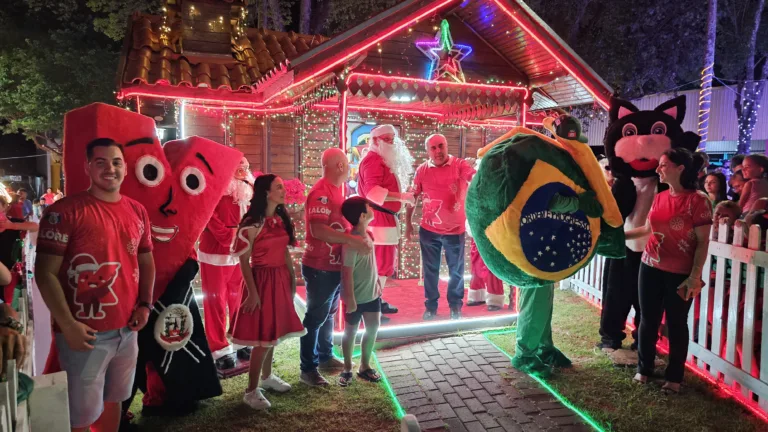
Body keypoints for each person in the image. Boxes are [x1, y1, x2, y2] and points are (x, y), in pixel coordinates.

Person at [34, 138, 156, 432]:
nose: (110, 169)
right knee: (80, 415)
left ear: (125, 167)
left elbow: (146, 261)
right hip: (84, 333)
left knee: (115, 400)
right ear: (87, 167)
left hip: (127, 329)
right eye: (100, 162)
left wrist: (145, 304)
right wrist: (68, 325)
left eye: (116, 162)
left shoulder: (138, 210)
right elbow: (45, 273)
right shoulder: (65, 212)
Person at [626, 148, 711, 394]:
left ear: (680, 168)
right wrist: (617, 236)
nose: (658, 169)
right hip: (650, 266)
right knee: (647, 319)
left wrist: (695, 275)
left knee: (676, 323)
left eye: (663, 165)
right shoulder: (661, 196)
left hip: (680, 273)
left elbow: (703, 242)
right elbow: (647, 229)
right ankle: (644, 368)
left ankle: (674, 377)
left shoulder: (698, 201)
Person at [229, 174, 305, 409]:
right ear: (266, 193)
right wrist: (252, 293)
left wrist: (291, 278)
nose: (284, 191)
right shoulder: (251, 224)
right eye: (278, 187)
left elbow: (284, 253)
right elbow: (244, 261)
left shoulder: (279, 219)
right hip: (261, 281)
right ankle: (251, 391)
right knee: (262, 338)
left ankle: (267, 376)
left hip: (279, 279)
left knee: (273, 332)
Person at [299, 148, 371, 386]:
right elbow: (318, 230)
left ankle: (325, 356)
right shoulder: (321, 193)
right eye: (347, 163)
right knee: (315, 317)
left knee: (328, 314)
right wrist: (353, 240)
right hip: (320, 267)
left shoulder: (336, 191)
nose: (349, 167)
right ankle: (307, 369)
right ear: (340, 166)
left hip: (332, 266)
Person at [405, 134, 475, 320]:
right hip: (428, 231)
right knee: (430, 271)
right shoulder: (422, 170)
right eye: (433, 148)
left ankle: (455, 306)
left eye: (440, 146)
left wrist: (477, 168)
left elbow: (474, 177)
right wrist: (408, 223)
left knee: (456, 271)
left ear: (446, 145)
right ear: (427, 151)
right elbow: (412, 197)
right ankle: (431, 306)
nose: (438, 151)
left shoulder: (459, 165)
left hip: (455, 231)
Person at [198, 157, 254, 370]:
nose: (243, 169)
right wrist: (229, 236)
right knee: (216, 302)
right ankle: (218, 348)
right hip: (216, 252)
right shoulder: (215, 188)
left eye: (246, 166)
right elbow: (209, 215)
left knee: (238, 298)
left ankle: (240, 340)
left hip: (240, 252)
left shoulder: (249, 188)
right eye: (239, 165)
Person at [356, 125, 416, 317]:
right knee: (381, 264)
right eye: (387, 139)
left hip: (384, 218)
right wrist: (402, 197)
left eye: (392, 139)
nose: (391, 143)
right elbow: (373, 192)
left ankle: (375, 301)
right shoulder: (373, 160)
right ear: (375, 141)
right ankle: (371, 306)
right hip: (378, 220)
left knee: (383, 264)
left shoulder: (378, 159)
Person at [339, 197, 383, 387]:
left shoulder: (369, 235)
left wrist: (377, 283)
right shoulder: (351, 242)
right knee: (350, 331)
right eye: (369, 207)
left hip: (372, 294)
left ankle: (365, 365)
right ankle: (347, 367)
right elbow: (346, 272)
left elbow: (371, 264)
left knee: (373, 327)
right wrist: (350, 298)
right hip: (355, 297)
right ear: (362, 216)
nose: (373, 209)